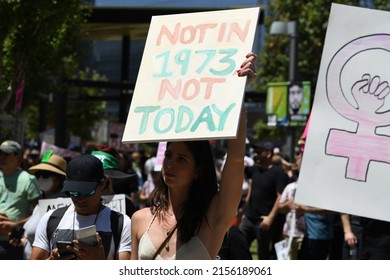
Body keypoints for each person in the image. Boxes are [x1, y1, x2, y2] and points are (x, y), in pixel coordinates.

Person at [130, 52, 257, 260]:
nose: (170, 164)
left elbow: (235, 158)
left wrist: (238, 93)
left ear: (198, 170)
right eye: (169, 156)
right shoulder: (140, 219)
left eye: (182, 159)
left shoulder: (214, 217)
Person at [30, 154, 131, 260]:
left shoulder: (121, 223)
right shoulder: (49, 219)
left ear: (103, 185)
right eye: (73, 192)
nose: (80, 198)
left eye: (87, 192)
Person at [239, 140, 288, 260]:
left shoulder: (278, 173)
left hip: (263, 221)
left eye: (258, 152)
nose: (255, 154)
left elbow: (280, 196)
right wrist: (243, 211)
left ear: (268, 153)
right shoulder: (255, 170)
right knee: (238, 246)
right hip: (248, 220)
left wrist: (270, 218)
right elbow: (240, 168)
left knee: (263, 254)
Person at [15, 150, 68, 259]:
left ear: (60, 179)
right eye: (38, 174)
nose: (40, 179)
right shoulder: (42, 203)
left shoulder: (62, 204)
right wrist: (24, 240)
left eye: (46, 175)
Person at [0, 140, 41, 259]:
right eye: (0, 153)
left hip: (13, 243)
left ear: (18, 157)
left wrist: (14, 225)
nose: (2, 157)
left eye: (6, 154)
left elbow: (39, 214)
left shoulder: (28, 180)